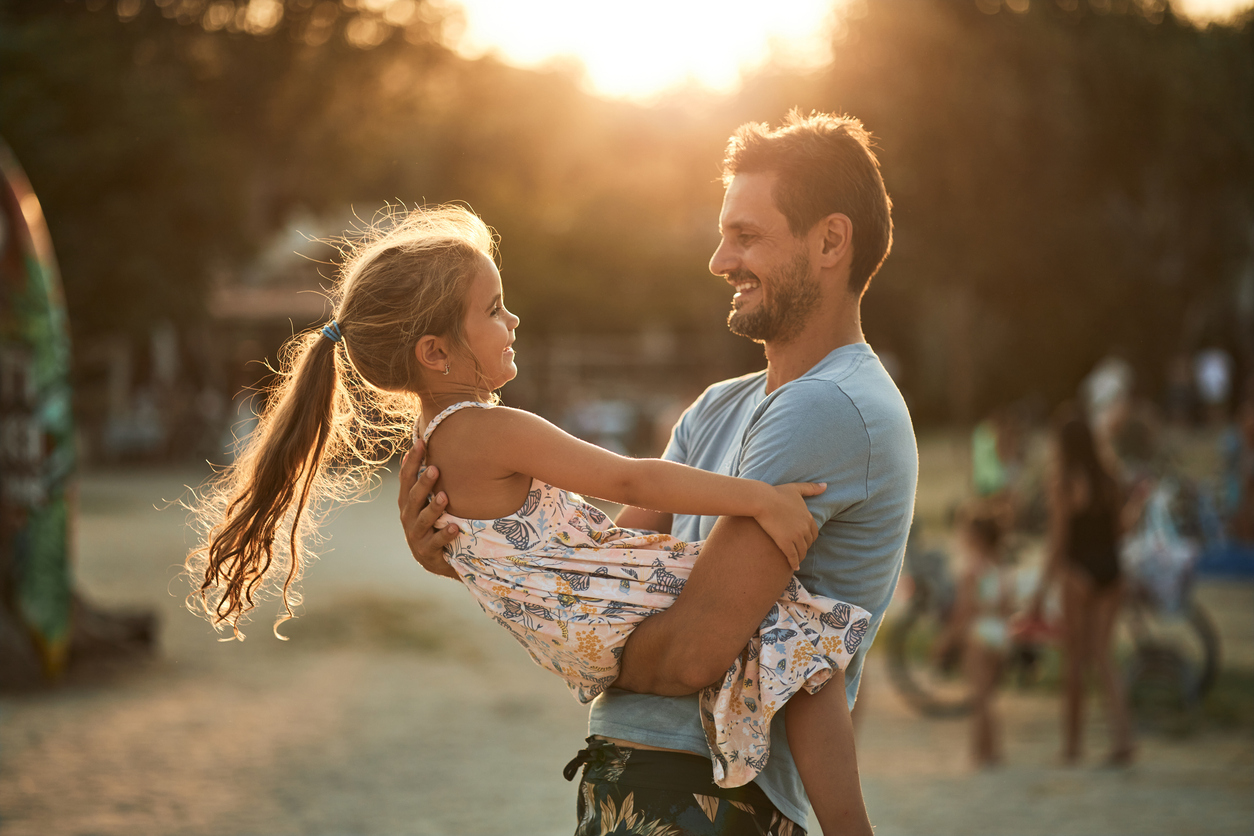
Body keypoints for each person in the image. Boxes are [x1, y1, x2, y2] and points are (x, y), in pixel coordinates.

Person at [184, 203, 875, 834]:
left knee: (777, 651)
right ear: (436, 352)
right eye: (494, 309)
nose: (513, 322)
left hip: (579, 635)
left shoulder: (433, 449)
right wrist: (760, 498)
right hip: (608, 606)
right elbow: (627, 476)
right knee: (804, 642)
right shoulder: (490, 430)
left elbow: (510, 560)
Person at [403, 111, 917, 835]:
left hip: (714, 798)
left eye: (746, 235)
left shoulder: (829, 408)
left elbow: (688, 656)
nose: (718, 259)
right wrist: (469, 553)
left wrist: (588, 648)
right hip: (634, 779)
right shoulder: (717, 408)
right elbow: (603, 571)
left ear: (831, 241)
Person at [1029, 406, 1134, 766]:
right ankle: (1123, 738)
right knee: (1105, 658)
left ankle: (1072, 746)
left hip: (1080, 573)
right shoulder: (1110, 477)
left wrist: (1039, 592)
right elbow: (1120, 529)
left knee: (1074, 661)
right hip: (1112, 570)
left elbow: (1058, 542)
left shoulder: (1064, 481)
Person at [935, 509, 1015, 768]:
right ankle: (993, 749)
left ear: (975, 537)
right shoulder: (1000, 567)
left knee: (978, 698)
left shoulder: (970, 569)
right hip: (1000, 633)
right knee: (989, 697)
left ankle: (980, 752)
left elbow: (963, 611)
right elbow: (1007, 606)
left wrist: (945, 641)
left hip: (979, 634)